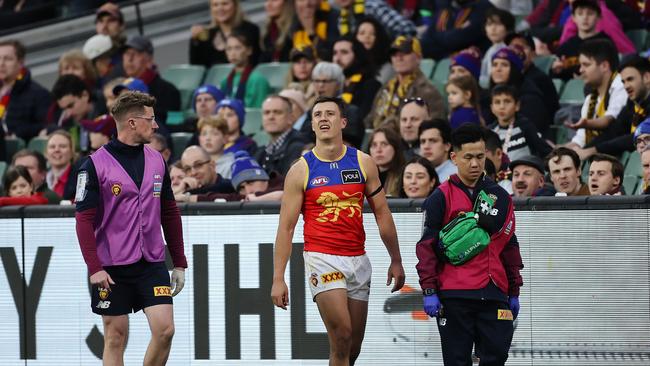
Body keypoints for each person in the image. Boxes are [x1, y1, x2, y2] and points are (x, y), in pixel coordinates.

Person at [271, 96, 405, 365]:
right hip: (322, 258)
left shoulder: (364, 162)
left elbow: (382, 213)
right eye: (317, 114)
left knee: (352, 346)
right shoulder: (301, 170)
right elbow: (286, 228)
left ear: (342, 122)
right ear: (311, 124)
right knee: (342, 334)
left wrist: (396, 259)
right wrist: (278, 278)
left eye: (330, 113)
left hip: (358, 258)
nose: (323, 118)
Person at [75, 91, 187, 365]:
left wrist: (179, 262)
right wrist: (94, 267)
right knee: (115, 335)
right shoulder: (93, 165)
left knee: (165, 330)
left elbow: (169, 212)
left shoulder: (157, 160)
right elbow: (83, 220)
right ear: (132, 123)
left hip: (151, 261)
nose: (156, 125)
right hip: (111, 266)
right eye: (151, 119)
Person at [416, 123, 523, 366]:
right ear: (454, 157)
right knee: (456, 362)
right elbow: (426, 248)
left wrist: (514, 290)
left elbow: (509, 245)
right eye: (468, 157)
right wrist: (430, 291)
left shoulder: (501, 196)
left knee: (496, 359)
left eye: (479, 156)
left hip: (495, 291)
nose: (475, 164)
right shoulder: (440, 197)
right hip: (454, 294)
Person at [576, 56, 650, 160]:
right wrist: (585, 150)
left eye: (630, 79)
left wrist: (595, 150)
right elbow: (614, 131)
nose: (626, 86)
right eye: (623, 82)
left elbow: (638, 136)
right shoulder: (632, 103)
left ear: (647, 77)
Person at [366, 36, 444, 130]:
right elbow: (370, 119)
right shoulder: (386, 88)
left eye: (405, 53)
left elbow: (434, 127)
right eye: (394, 54)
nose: (399, 58)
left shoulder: (428, 91)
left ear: (418, 57)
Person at [567, 38, 627, 149]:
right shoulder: (591, 98)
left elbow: (611, 120)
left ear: (604, 66)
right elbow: (580, 140)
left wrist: (587, 123)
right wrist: (559, 150)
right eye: (580, 65)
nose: (581, 70)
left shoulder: (621, 84)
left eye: (586, 65)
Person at [0, 39, 51, 143]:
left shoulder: (38, 94)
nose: (1, 63)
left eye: (8, 59)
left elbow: (46, 126)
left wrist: (16, 132)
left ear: (21, 62)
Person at [122, 35, 182, 125]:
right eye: (127, 53)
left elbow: (172, 124)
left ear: (149, 59)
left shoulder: (168, 90)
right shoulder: (120, 87)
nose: (129, 59)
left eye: (136, 54)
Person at [489, 84, 552, 161]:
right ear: (492, 108)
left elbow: (546, 151)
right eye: (497, 102)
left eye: (507, 101)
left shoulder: (525, 126)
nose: (502, 106)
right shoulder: (489, 132)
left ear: (517, 105)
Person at [189, 0, 261, 67]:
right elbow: (197, 68)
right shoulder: (207, 34)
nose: (220, 8)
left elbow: (256, 61)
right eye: (215, 5)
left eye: (225, 4)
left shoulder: (250, 29)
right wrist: (195, 42)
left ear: (235, 5)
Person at [551, 0, 611, 80]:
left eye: (590, 13)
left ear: (599, 17)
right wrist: (557, 71)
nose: (585, 17)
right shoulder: (566, 46)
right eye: (580, 13)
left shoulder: (606, 43)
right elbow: (555, 75)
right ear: (573, 18)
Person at [196, 151, 285, 202]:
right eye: (241, 188)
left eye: (250, 182)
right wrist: (187, 197)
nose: (248, 191)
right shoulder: (244, 197)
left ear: (264, 179)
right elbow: (218, 197)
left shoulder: (283, 183)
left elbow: (283, 195)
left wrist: (256, 199)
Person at [420, 0, 493, 60]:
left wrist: (437, 36)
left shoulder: (483, 6)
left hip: (471, 61)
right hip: (444, 58)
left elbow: (458, 39)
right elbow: (427, 39)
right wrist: (450, 36)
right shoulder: (446, 7)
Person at [332, 35, 381, 121]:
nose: (337, 58)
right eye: (335, 53)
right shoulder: (329, 83)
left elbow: (362, 118)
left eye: (344, 52)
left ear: (357, 55)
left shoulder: (370, 85)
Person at [255, 95, 307, 175]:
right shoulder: (261, 151)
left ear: (290, 118)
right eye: (266, 112)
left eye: (277, 112)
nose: (271, 117)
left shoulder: (299, 147)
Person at [221, 31, 271, 108]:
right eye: (229, 49)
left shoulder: (258, 80)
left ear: (249, 50)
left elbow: (256, 112)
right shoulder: (225, 81)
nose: (233, 53)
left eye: (237, 48)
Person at [333, 0, 416, 38]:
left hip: (387, 59)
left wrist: (390, 48)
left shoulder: (373, 6)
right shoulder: (341, 21)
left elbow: (407, 28)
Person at [480, 7, 515, 88]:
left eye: (498, 24)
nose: (493, 29)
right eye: (489, 24)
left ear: (508, 28)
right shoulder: (490, 50)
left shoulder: (510, 50)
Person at [368, 127, 406, 197]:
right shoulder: (365, 177)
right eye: (374, 145)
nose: (378, 150)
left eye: (384, 144)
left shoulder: (405, 176)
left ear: (395, 147)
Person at [354, 17, 392, 83]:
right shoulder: (351, 61)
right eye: (362, 33)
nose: (367, 37)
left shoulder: (387, 66)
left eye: (373, 34)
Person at [45, 130, 75, 198]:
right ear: (46, 153)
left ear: (71, 152)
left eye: (62, 146)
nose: (57, 150)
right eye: (52, 147)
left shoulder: (79, 179)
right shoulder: (41, 180)